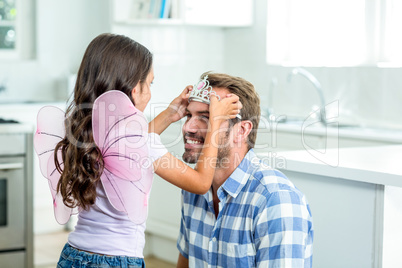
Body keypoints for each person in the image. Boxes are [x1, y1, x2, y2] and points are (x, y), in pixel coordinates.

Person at [34, 33, 242, 268]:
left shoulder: (82, 130)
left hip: (73, 254)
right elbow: (201, 182)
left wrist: (171, 114)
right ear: (135, 90)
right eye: (150, 83)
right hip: (117, 260)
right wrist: (216, 120)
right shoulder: (138, 143)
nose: (150, 91)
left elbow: (132, 149)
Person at [176, 72, 314, 267]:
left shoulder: (275, 201)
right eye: (189, 115)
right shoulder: (192, 188)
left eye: (208, 117)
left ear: (241, 131)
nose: (188, 127)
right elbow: (186, 259)